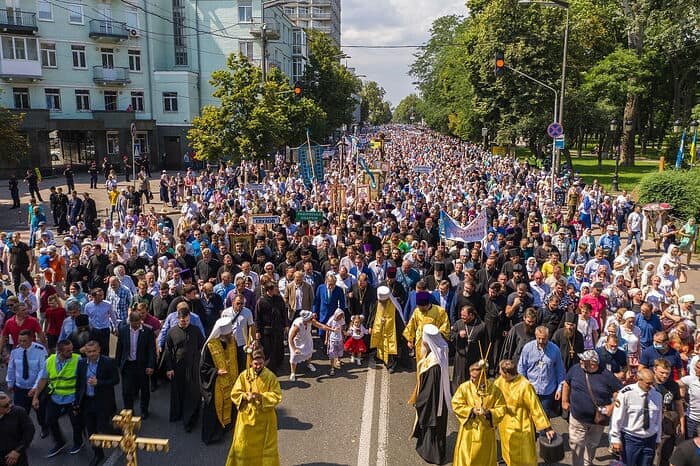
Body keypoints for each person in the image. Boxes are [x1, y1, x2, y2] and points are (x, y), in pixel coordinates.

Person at [561, 349, 622, 466]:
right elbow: (566, 383)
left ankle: (587, 463)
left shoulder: (606, 375)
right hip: (577, 418)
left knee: (592, 445)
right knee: (576, 444)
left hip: (598, 421)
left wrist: (612, 407)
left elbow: (619, 393)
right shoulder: (575, 369)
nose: (580, 362)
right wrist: (564, 401)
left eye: (584, 361)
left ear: (593, 364)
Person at [494, 359, 556, 466]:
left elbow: (535, 406)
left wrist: (547, 427)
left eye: (501, 371)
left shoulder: (524, 385)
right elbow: (492, 395)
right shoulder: (500, 381)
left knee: (525, 457)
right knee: (508, 455)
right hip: (505, 425)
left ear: (508, 373)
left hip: (522, 426)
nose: (499, 373)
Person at [226, 348, 282, 466]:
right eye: (256, 364)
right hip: (246, 419)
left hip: (265, 420)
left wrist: (261, 397)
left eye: (261, 363)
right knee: (243, 445)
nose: (258, 366)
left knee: (265, 448)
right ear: (251, 362)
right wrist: (245, 396)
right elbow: (235, 393)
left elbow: (277, 395)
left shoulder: (271, 377)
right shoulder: (244, 375)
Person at [31, 339, 83, 457]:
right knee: (49, 420)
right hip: (56, 397)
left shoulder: (78, 359)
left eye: (71, 349)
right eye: (68, 351)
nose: (71, 352)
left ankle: (78, 442)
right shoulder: (49, 361)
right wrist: (36, 397)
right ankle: (60, 442)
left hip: (72, 398)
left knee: (76, 423)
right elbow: (43, 379)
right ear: (59, 351)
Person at [409, 324, 451, 464]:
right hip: (440, 399)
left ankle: (433, 455)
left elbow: (429, 390)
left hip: (433, 403)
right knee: (438, 428)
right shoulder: (440, 350)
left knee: (432, 428)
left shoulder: (433, 365)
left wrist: (419, 402)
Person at [451, 360, 506, 466]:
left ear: (483, 377)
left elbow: (501, 408)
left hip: (485, 433)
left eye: (475, 377)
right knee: (466, 459)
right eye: (471, 376)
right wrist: (471, 410)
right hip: (469, 431)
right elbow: (456, 403)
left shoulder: (494, 390)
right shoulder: (465, 387)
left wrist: (488, 413)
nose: (471, 379)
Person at [75, 340, 119, 466]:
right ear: (86, 352)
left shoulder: (108, 362)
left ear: (99, 350)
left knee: (103, 426)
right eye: (89, 352)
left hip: (103, 401)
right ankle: (98, 454)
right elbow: (79, 383)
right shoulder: (82, 363)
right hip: (87, 402)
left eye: (94, 351)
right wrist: (76, 401)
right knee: (91, 431)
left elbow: (115, 380)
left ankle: (118, 434)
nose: (92, 354)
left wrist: (99, 383)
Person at [609, 368, 663, 466]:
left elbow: (658, 419)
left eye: (652, 383)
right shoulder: (626, 393)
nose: (650, 386)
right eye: (648, 383)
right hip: (631, 439)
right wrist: (615, 439)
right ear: (639, 379)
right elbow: (617, 418)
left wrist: (658, 438)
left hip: (650, 439)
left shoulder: (657, 396)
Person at [163, 308, 205, 432]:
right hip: (177, 367)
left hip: (193, 366)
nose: (184, 323)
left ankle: (190, 419)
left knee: (192, 393)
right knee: (178, 392)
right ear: (178, 319)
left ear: (189, 319)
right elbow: (168, 351)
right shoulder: (172, 332)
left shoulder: (196, 330)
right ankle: (178, 414)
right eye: (182, 321)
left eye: (186, 320)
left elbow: (202, 346)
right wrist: (169, 368)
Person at [200, 317, 239, 445]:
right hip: (216, 384)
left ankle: (226, 428)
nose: (230, 335)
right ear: (221, 334)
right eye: (228, 334)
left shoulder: (231, 341)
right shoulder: (210, 346)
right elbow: (204, 367)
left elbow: (238, 357)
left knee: (230, 405)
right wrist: (216, 372)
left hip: (231, 381)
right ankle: (212, 435)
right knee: (214, 408)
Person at [5, 330, 48, 436]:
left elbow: (43, 371)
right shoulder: (16, 351)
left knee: (40, 412)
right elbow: (11, 368)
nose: (21, 343)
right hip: (20, 388)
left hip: (37, 389)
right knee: (20, 414)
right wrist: (10, 383)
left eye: (24, 341)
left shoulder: (40, 350)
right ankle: (22, 434)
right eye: (20, 340)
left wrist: (35, 388)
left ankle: (44, 427)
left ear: (31, 339)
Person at [114, 311, 156, 419]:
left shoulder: (148, 331)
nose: (137, 325)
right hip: (128, 365)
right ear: (130, 321)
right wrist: (118, 364)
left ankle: (144, 410)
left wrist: (151, 365)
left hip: (142, 365)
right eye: (134, 323)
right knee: (127, 390)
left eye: (138, 322)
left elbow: (152, 350)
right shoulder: (123, 331)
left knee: (144, 389)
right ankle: (129, 411)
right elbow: (120, 348)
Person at [517, 326, 565, 417]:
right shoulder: (528, 348)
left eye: (544, 339)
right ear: (535, 336)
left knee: (544, 418)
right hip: (531, 389)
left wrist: (559, 388)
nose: (541, 341)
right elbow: (521, 368)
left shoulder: (555, 350)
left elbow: (560, 370)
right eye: (539, 338)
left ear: (548, 337)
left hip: (547, 390)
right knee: (530, 418)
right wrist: (522, 385)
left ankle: (544, 431)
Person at [653, 358, 685, 466]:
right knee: (653, 456)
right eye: (662, 372)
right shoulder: (649, 384)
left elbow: (679, 405)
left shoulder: (673, 385)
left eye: (667, 373)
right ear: (655, 369)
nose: (664, 376)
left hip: (668, 423)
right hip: (652, 423)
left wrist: (682, 423)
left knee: (666, 454)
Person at [403, 290, 450, 362]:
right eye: (418, 306)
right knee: (421, 364)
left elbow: (445, 326)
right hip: (420, 343)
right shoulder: (417, 311)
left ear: (427, 304)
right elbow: (411, 325)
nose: (420, 309)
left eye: (421, 307)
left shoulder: (440, 311)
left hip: (434, 344)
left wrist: (436, 335)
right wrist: (410, 340)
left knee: (432, 364)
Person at [369, 285, 407, 372]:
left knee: (391, 347)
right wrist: (370, 326)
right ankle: (381, 358)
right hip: (380, 330)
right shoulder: (377, 303)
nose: (381, 302)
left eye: (383, 301)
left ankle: (391, 364)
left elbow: (399, 320)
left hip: (391, 332)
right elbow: (373, 314)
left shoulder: (394, 306)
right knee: (380, 345)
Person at [287, 310, 333, 382]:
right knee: (294, 357)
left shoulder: (311, 321)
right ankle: (293, 372)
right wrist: (294, 348)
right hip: (297, 340)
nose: (312, 319)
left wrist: (332, 330)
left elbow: (321, 326)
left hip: (307, 338)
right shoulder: (297, 325)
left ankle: (309, 364)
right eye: (311, 318)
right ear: (306, 319)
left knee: (309, 351)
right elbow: (290, 339)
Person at [450, 304, 487, 392]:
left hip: (474, 357)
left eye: (464, 316)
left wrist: (484, 358)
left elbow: (485, 343)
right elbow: (450, 336)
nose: (462, 318)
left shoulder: (481, 326)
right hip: (461, 356)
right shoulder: (459, 323)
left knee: (473, 378)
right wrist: (458, 334)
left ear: (471, 315)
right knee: (459, 378)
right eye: (461, 315)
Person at [254, 282, 288, 374]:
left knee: (279, 347)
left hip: (278, 328)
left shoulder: (279, 299)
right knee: (268, 350)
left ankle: (279, 365)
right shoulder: (261, 301)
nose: (277, 290)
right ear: (269, 290)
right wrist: (257, 331)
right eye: (274, 288)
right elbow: (257, 318)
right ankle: (270, 368)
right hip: (267, 330)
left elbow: (283, 312)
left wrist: (286, 325)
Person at [0, 391, 35, 466]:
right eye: (6, 405)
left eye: (10, 402)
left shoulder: (19, 412)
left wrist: (18, 451)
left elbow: (29, 431)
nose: (10, 406)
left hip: (17, 456)